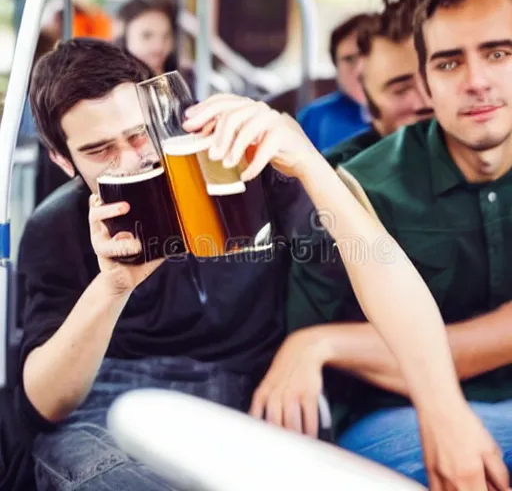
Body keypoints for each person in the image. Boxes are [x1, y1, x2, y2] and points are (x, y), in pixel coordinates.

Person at [18, 37, 504, 490]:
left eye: (140, 135)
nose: (132, 160)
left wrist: (305, 159)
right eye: (99, 150)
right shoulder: (56, 225)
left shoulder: (245, 175)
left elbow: (372, 261)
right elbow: (44, 403)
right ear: (63, 161)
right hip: (111, 405)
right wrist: (113, 288)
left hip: (247, 398)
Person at [256, 0, 512, 488]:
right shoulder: (356, 187)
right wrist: (316, 345)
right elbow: (314, 358)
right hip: (395, 417)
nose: (476, 80)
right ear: (426, 80)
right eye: (448, 63)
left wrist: (325, 343)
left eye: (499, 53)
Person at [324, 0, 434, 167]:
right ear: (372, 110)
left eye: (441, 73)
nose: (427, 102)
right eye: (401, 90)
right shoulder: (340, 176)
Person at [296, 14, 371, 152]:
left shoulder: (410, 114)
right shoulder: (314, 118)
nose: (359, 69)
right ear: (336, 66)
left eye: (368, 55)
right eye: (349, 59)